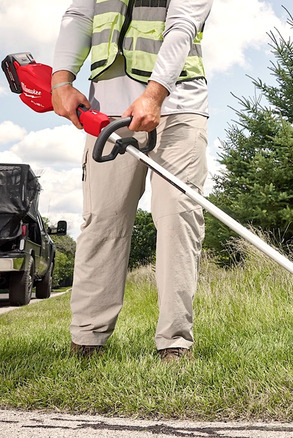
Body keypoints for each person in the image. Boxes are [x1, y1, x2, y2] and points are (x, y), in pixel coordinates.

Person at [51, 0, 213, 361]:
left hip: (177, 108)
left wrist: (155, 94)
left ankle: (174, 343)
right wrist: (61, 79)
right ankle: (87, 339)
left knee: (178, 221)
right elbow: (79, 15)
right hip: (104, 113)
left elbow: (182, 25)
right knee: (102, 221)